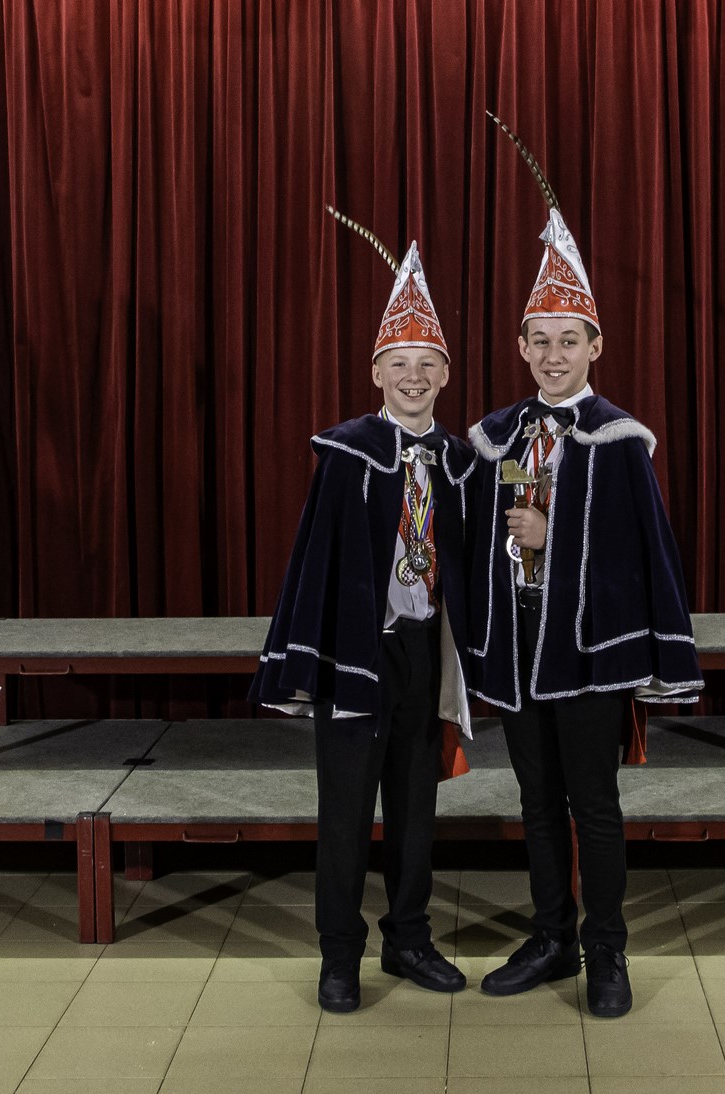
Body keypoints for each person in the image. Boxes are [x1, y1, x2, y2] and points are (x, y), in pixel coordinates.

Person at [468, 122, 702, 1018]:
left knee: (593, 803)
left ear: (595, 346)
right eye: (541, 341)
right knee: (536, 800)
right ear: (521, 345)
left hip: (589, 651)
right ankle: (551, 937)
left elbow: (640, 555)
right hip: (520, 640)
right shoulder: (496, 436)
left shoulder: (618, 440)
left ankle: (607, 949)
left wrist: (551, 533)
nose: (554, 355)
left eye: (570, 340)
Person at [252, 214, 475, 1013]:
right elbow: (314, 561)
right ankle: (339, 954)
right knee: (346, 811)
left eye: (427, 364)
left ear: (444, 374)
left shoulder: (460, 462)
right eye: (399, 363)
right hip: (360, 652)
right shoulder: (346, 453)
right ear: (376, 370)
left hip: (423, 651)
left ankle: (408, 937)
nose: (414, 377)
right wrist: (304, 662)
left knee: (416, 806)